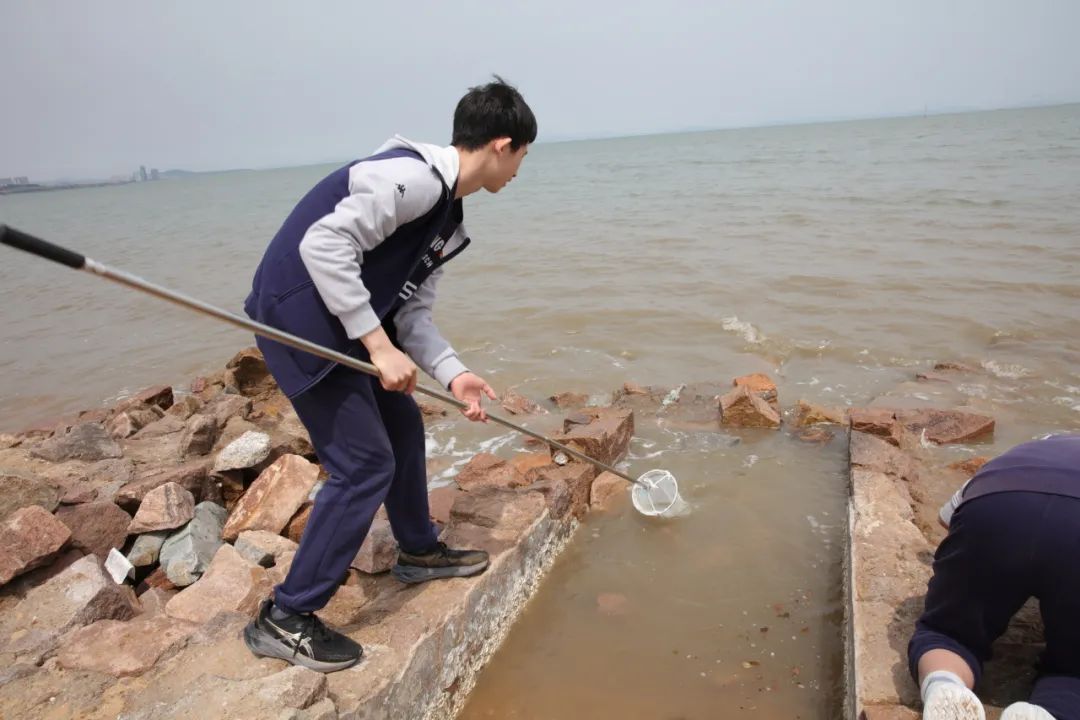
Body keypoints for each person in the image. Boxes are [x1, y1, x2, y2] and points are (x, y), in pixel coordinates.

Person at [240, 76, 536, 672]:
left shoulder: (448, 219)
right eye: (523, 156)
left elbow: (411, 313)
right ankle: (286, 616)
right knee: (364, 464)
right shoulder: (414, 180)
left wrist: (454, 375)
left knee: (402, 427)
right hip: (300, 322)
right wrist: (377, 346)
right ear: (502, 145)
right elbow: (324, 245)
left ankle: (418, 552)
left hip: (344, 325)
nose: (518, 171)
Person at [909, 433, 1080, 720]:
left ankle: (945, 684)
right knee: (1074, 669)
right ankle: (1050, 712)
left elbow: (946, 519)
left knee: (949, 634)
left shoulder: (1033, 445)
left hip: (999, 502)